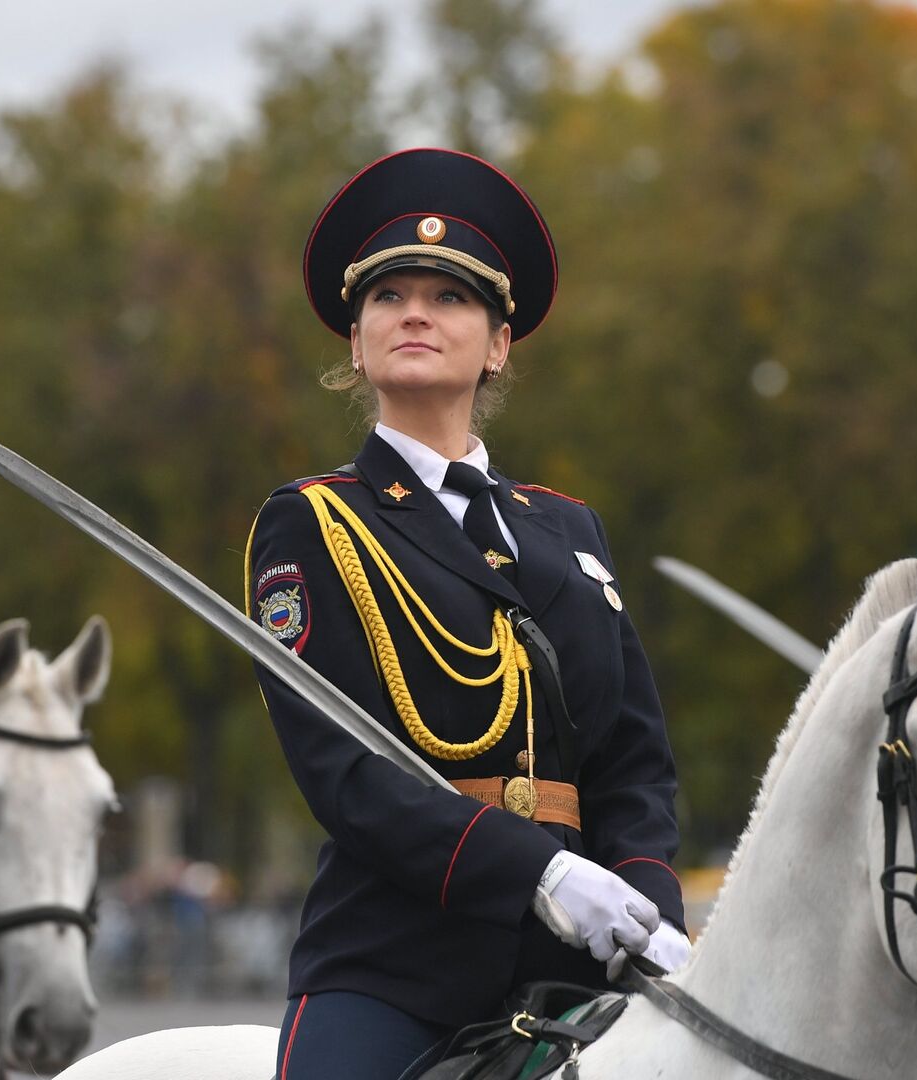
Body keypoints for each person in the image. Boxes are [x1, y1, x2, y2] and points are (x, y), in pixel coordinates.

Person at [244, 148, 691, 1080]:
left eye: (449, 297)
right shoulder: (316, 522)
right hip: (396, 969)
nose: (416, 311)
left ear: (497, 344)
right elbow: (347, 773)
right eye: (390, 296)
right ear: (357, 344)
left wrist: (645, 900)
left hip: (587, 967)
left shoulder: (569, 530)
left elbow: (633, 760)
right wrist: (539, 873)